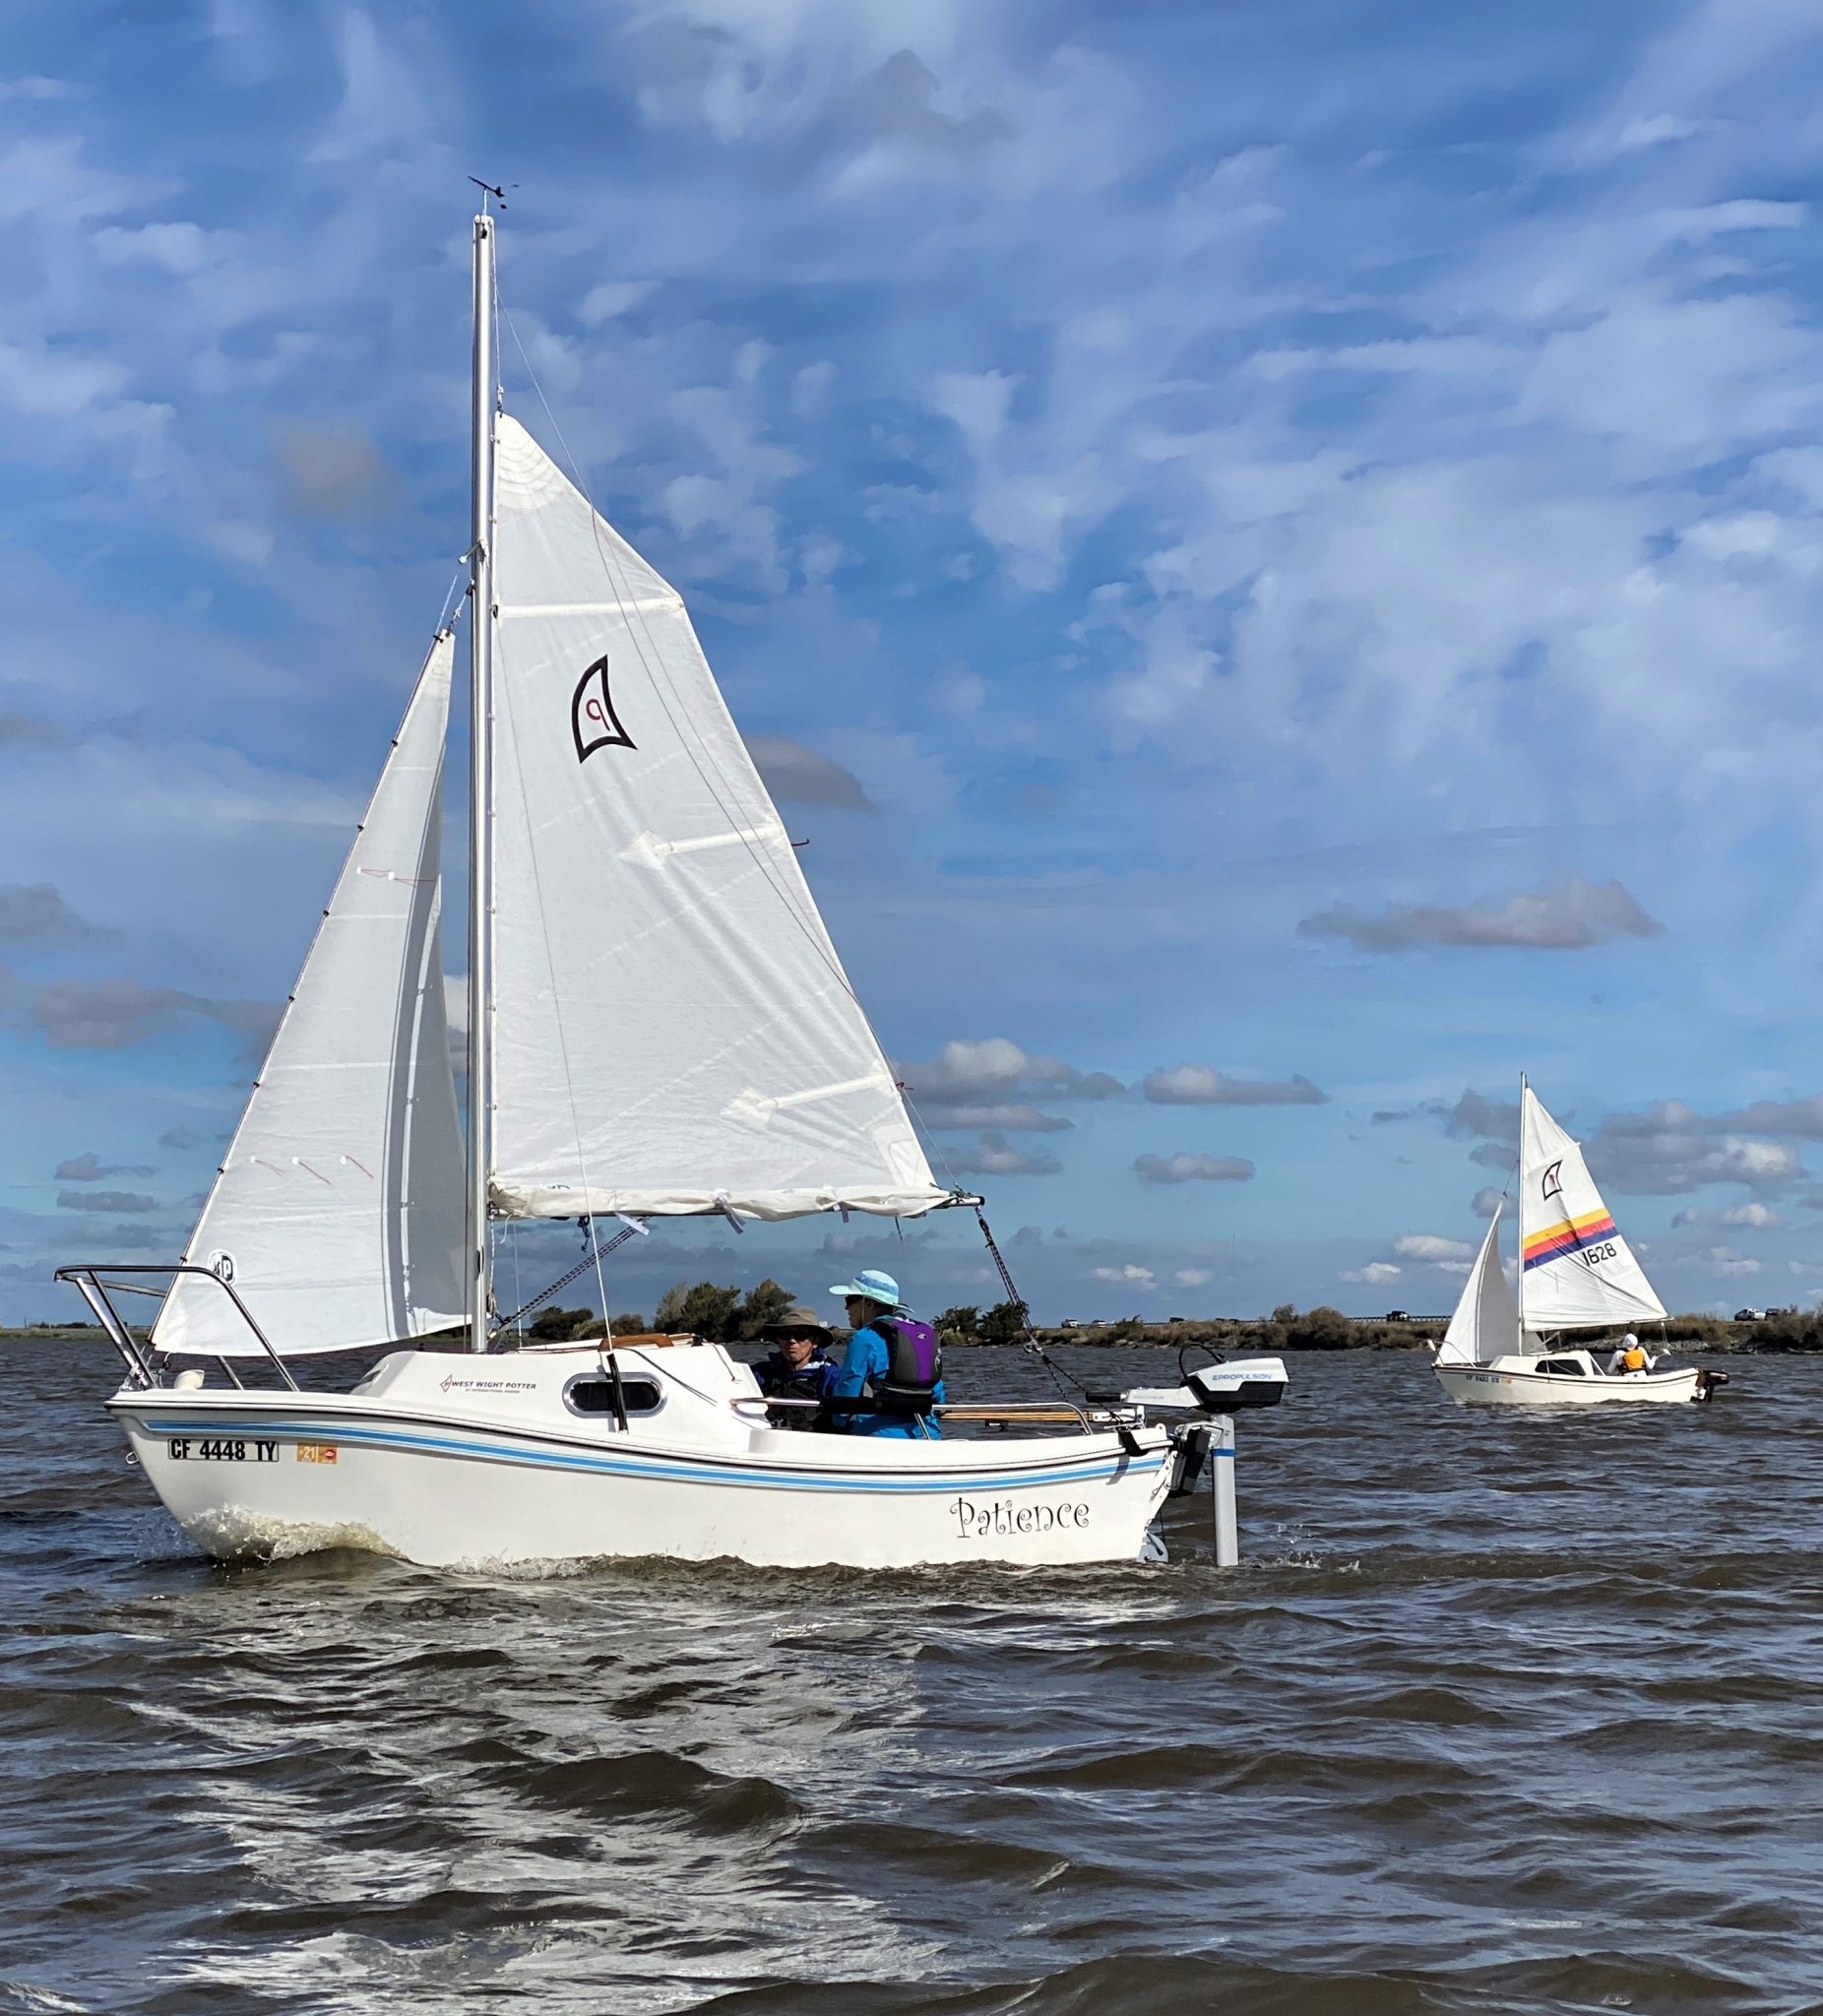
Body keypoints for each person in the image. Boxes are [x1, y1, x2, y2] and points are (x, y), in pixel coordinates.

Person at [826, 1268, 945, 1439]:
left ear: (869, 1304)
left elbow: (845, 1402)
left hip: (879, 1438)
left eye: (850, 1300)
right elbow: (938, 1394)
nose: (846, 1308)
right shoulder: (922, 1336)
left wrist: (835, 1421)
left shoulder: (863, 1339)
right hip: (928, 1434)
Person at [750, 1305, 840, 1429]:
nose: (791, 1340)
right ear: (778, 1340)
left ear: (815, 1342)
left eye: (801, 1334)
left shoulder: (830, 1375)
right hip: (765, 1440)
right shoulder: (759, 1373)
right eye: (784, 1334)